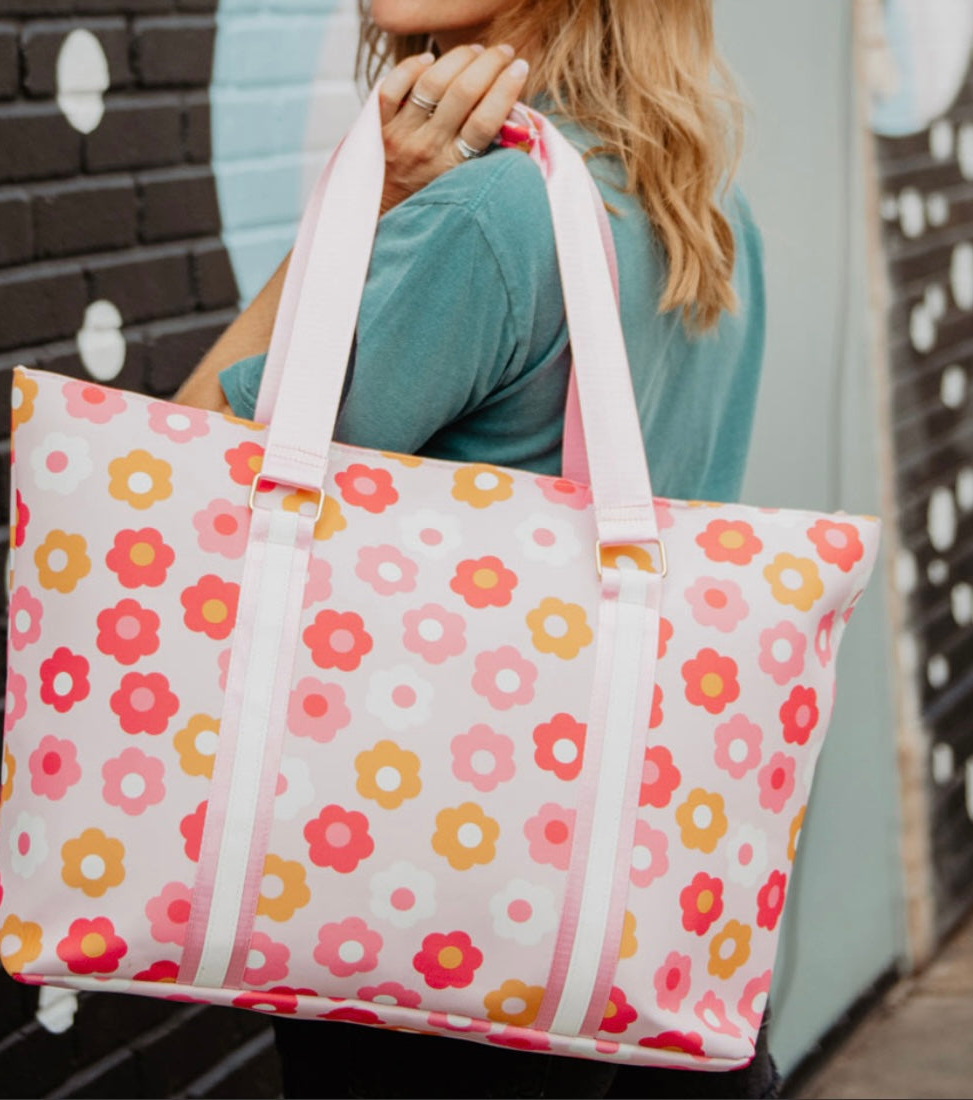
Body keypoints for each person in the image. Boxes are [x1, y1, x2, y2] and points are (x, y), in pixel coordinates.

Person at [173, 1, 773, 1096]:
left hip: (442, 907)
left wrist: (368, 214)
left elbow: (190, 479)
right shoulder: (705, 205)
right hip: (637, 912)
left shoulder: (489, 214)